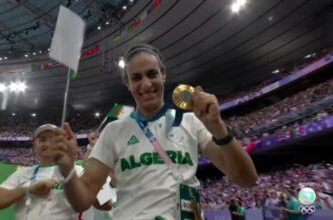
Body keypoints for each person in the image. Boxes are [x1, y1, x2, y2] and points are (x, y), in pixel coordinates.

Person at [43, 44, 258, 219]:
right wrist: (68, 169)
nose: (146, 84)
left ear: (163, 75)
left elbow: (247, 179)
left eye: (152, 74)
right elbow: (84, 199)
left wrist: (218, 128)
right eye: (136, 77)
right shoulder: (114, 130)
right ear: (127, 83)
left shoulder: (190, 121)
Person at [0, 124, 111, 220]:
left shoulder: (80, 171)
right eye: (42, 139)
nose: (48, 143)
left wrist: (78, 183)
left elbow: (107, 204)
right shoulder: (22, 173)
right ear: (35, 145)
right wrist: (29, 190)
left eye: (53, 139)